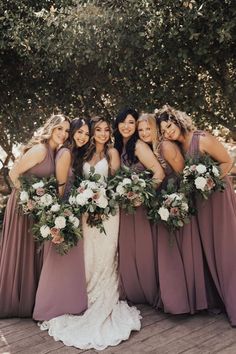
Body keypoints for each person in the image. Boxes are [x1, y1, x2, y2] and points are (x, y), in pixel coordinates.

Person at [38, 116, 141, 351]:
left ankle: (102, 298)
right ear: (92, 133)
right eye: (98, 130)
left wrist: (102, 204)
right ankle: (81, 296)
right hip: (85, 212)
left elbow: (115, 184)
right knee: (88, 257)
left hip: (108, 213)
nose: (103, 133)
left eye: (106, 130)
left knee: (105, 257)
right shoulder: (82, 155)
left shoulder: (112, 153)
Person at [156, 104, 236, 325]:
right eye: (163, 130)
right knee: (210, 248)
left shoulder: (201, 139)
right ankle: (219, 298)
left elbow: (228, 162)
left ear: (178, 120)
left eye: (169, 125)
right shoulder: (177, 147)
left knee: (225, 247)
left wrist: (210, 180)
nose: (168, 132)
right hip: (201, 203)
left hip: (218, 198)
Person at [137, 113, 212, 315]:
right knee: (170, 252)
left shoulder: (165, 146)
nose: (144, 133)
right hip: (165, 202)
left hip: (177, 201)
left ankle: (185, 300)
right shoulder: (153, 148)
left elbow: (182, 174)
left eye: (148, 128)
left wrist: (177, 202)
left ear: (155, 129)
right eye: (140, 130)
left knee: (180, 250)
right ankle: (175, 299)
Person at [0, 113, 70, 318]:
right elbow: (13, 175)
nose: (63, 134)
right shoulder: (40, 150)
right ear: (51, 128)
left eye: (66, 131)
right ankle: (14, 300)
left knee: (32, 250)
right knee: (21, 249)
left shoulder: (54, 152)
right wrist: (29, 199)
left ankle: (29, 300)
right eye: (60, 129)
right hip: (22, 205)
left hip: (36, 207)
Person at [33, 117, 90, 321]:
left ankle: (67, 302)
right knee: (58, 258)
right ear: (72, 132)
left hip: (70, 211)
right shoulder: (65, 152)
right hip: (64, 212)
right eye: (79, 132)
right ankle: (51, 305)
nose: (83, 137)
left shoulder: (71, 154)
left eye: (86, 134)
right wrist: (61, 216)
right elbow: (60, 187)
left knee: (67, 260)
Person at [114, 108, 165, 307]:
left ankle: (146, 289)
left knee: (143, 248)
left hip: (141, 206)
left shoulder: (139, 146)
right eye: (123, 122)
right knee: (127, 248)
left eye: (131, 123)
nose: (127, 126)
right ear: (117, 124)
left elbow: (158, 173)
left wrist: (141, 195)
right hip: (125, 208)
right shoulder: (118, 147)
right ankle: (132, 290)